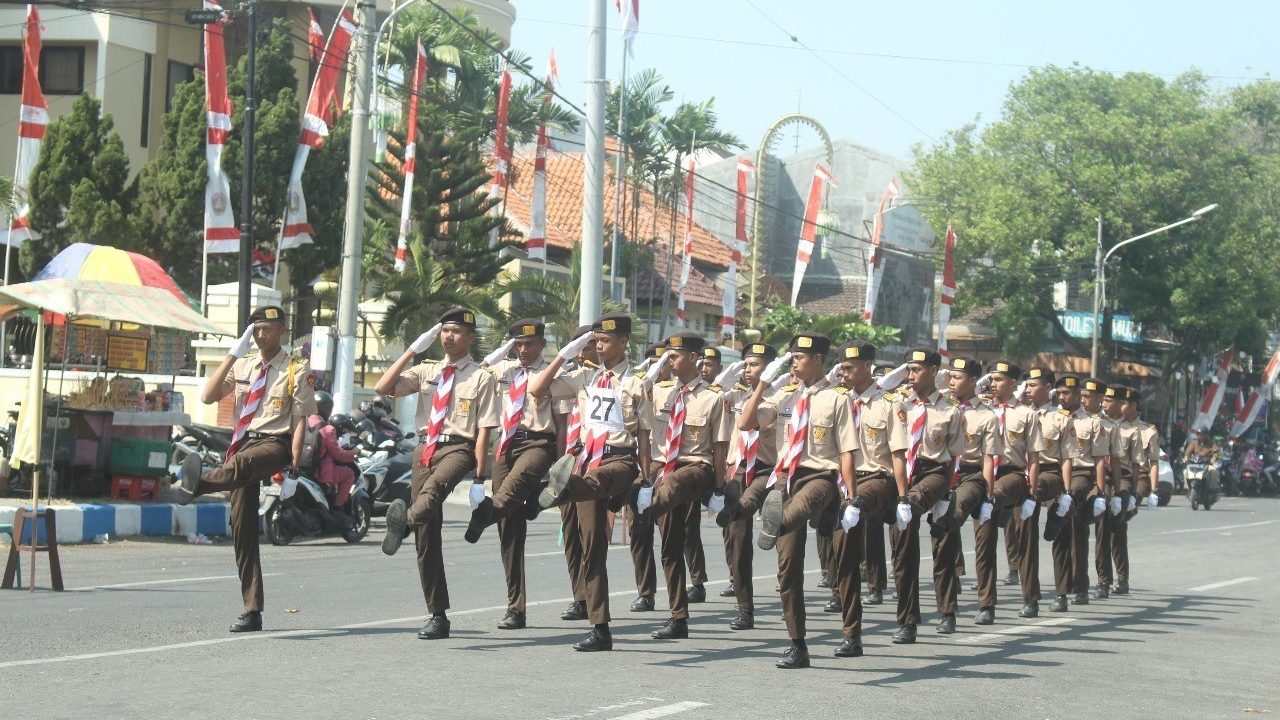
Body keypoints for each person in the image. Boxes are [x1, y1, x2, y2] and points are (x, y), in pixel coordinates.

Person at [178, 305, 316, 632]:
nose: (260, 334)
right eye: (255, 329)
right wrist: (230, 354)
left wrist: (295, 461)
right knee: (242, 528)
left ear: (282, 329)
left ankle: (197, 485)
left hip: (274, 444)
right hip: (242, 441)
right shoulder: (243, 364)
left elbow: (300, 420)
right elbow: (209, 396)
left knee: (240, 464)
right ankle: (252, 609)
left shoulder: (296, 368)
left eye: (267, 328)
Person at [528, 312, 651, 652]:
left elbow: (644, 435)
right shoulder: (584, 377)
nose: (598, 346)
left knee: (597, 481)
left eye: (605, 340)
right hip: (584, 464)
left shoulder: (636, 382)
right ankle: (601, 629)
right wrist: (566, 353)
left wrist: (647, 480)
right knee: (592, 550)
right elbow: (537, 389)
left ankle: (559, 490)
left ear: (623, 342)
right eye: (595, 340)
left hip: (619, 460)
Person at [375, 308, 500, 640]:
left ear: (470, 337)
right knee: (426, 534)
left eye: (457, 331)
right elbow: (383, 386)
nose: (449, 336)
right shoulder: (426, 370)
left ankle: (401, 525)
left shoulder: (481, 376)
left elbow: (486, 427)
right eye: (445, 331)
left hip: (459, 448)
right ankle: (438, 615)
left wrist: (479, 477)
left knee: (431, 496)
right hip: (424, 448)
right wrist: (412, 350)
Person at [735, 332, 858, 669]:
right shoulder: (784, 397)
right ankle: (797, 644)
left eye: (799, 357)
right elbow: (747, 423)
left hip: (822, 478)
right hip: (786, 479)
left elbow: (847, 453)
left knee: (834, 552)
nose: (793, 362)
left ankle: (852, 633)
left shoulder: (837, 399)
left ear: (817, 359)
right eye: (791, 357)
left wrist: (852, 498)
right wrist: (762, 385)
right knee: (788, 569)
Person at [465, 319, 571, 631]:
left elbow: (562, 422)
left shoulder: (553, 373)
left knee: (507, 494)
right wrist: (503, 352)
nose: (523, 350)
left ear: (542, 344)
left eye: (529, 344)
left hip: (539, 443)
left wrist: (562, 463)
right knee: (510, 527)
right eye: (518, 345)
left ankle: (487, 512)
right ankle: (516, 607)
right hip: (504, 444)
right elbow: (478, 371)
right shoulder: (503, 371)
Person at [633, 332, 730, 640]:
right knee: (671, 546)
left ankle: (641, 507)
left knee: (672, 485)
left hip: (695, 467)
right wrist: (651, 370)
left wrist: (717, 489)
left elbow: (718, 449)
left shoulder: (712, 397)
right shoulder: (659, 392)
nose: (670, 360)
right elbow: (635, 403)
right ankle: (678, 618)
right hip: (664, 469)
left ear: (692, 357)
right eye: (667, 356)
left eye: (674, 356)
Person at [887, 348, 964, 645]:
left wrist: (949, 491)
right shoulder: (898, 404)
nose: (910, 376)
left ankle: (947, 610)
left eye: (917, 370)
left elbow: (954, 456)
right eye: (908, 370)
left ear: (934, 371)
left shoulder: (950, 410)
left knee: (942, 547)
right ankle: (908, 620)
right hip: (903, 473)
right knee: (902, 550)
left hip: (935, 473)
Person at [831, 339, 900, 658]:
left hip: (877, 480)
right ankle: (852, 634)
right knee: (844, 559)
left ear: (867, 366)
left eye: (849, 367)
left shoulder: (889, 404)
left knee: (861, 507)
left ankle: (907, 619)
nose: (842, 373)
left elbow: (898, 456)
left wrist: (903, 497)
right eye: (841, 367)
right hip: (844, 482)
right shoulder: (835, 401)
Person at [929, 357, 1000, 632]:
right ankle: (946, 610)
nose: (952, 382)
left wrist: (990, 496)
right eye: (950, 377)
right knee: (942, 541)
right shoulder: (941, 408)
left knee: (956, 523)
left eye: (957, 377)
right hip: (944, 474)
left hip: (971, 476)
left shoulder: (986, 415)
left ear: (973, 381)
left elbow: (989, 459)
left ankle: (986, 603)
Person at [715, 342, 779, 631]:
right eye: (745, 364)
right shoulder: (734, 395)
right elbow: (709, 392)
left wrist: (764, 385)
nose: (747, 369)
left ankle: (754, 515)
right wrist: (731, 373)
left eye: (754, 364)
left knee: (782, 532)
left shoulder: (783, 398)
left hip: (769, 470)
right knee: (738, 544)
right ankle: (745, 609)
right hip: (738, 470)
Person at [982, 361, 1045, 619]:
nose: (992, 384)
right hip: (985, 475)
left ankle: (1030, 597)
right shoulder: (981, 411)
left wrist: (1032, 493)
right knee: (984, 539)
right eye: (991, 379)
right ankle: (986, 604)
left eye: (998, 379)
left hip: (1015, 476)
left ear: (1013, 384)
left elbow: (1034, 458)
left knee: (1025, 539)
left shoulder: (1027, 415)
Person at [1021, 367, 1074, 614]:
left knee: (1061, 534)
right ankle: (1030, 597)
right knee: (1025, 535)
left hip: (1050, 473)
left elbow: (1066, 458)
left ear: (1048, 387)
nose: (1028, 389)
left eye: (1033, 385)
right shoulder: (1020, 414)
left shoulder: (1061, 418)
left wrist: (1066, 492)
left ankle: (1062, 593)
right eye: (1026, 385)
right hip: (1024, 473)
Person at [555, 324, 597, 623]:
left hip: (595, 464)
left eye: (589, 347)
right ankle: (579, 598)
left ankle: (594, 599)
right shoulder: (567, 381)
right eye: (578, 348)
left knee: (591, 535)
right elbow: (558, 425)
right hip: (566, 465)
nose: (584, 354)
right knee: (571, 534)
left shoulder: (603, 381)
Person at [627, 342, 667, 614]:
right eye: (653, 362)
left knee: (672, 534)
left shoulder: (675, 393)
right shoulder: (634, 389)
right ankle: (646, 591)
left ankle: (686, 586)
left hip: (667, 463)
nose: (659, 367)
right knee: (639, 529)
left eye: (664, 362)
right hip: (642, 464)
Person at [1092, 383, 1132, 600]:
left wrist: (1135, 493)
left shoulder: (1133, 429)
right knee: (1102, 528)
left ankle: (1122, 577)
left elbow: (1138, 465)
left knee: (1117, 528)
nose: (1104, 404)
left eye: (1108, 400)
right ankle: (1103, 580)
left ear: (1121, 403)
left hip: (1123, 479)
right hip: (1101, 478)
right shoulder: (1098, 424)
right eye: (1103, 399)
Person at [309, 390, 357, 508]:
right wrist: (353, 453)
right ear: (327, 408)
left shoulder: (302, 422)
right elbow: (338, 455)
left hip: (301, 467)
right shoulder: (327, 428)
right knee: (349, 474)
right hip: (320, 471)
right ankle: (337, 507)